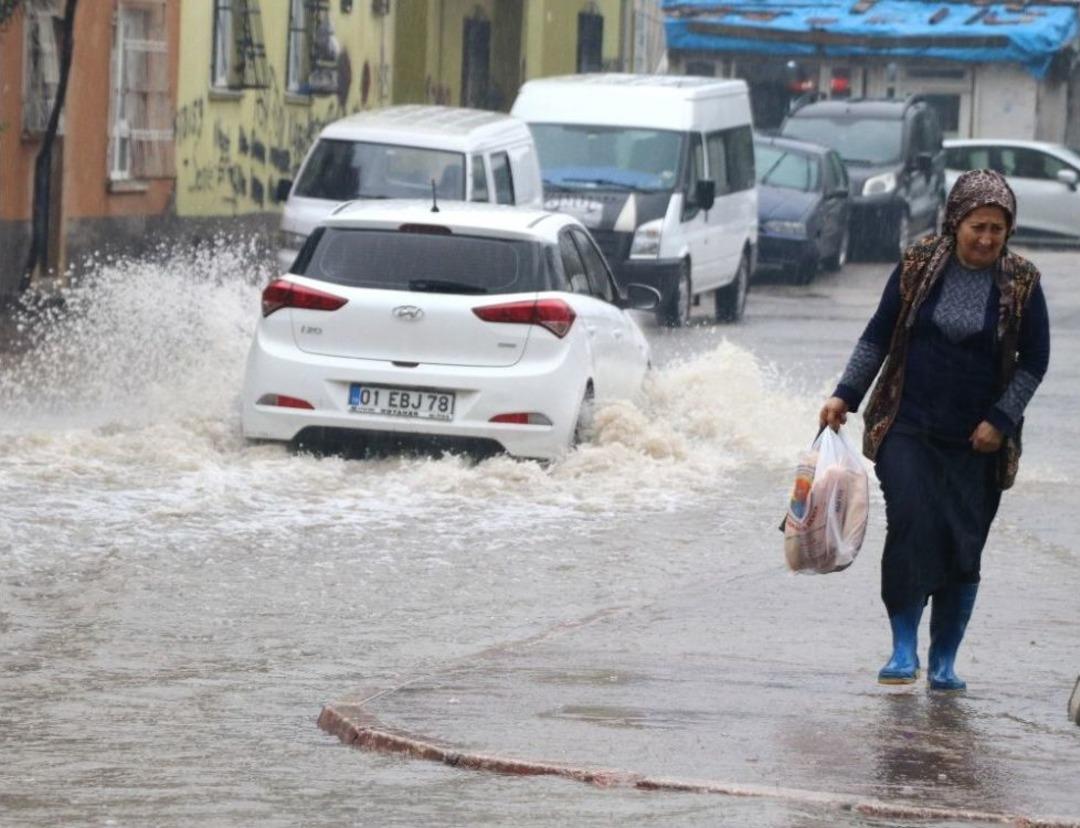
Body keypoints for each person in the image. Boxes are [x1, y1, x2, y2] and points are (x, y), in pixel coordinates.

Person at [819, 169, 1050, 690]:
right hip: (910, 425)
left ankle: (944, 660)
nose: (986, 238)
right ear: (955, 222)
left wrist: (1000, 421)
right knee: (912, 523)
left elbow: (1035, 361)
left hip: (979, 441)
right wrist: (844, 395)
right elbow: (878, 335)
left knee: (963, 543)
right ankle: (903, 648)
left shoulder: (1023, 281)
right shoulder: (919, 263)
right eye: (977, 227)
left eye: (997, 229)